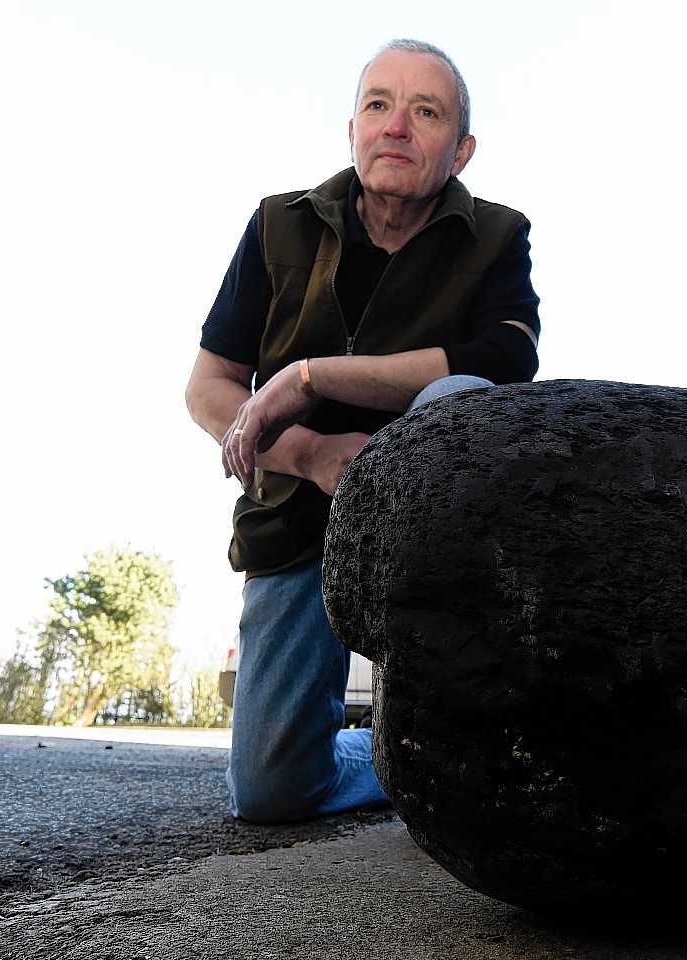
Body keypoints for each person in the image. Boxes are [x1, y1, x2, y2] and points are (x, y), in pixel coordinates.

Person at [185, 39, 541, 823]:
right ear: (351, 129)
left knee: (461, 394)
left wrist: (311, 376)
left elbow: (508, 360)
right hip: (297, 517)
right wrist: (310, 454)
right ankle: (382, 749)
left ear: (461, 149)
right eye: (378, 105)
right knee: (269, 793)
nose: (396, 127)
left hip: (435, 529)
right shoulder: (276, 226)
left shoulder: (497, 234)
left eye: (425, 111)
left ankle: (439, 736)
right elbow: (208, 387)